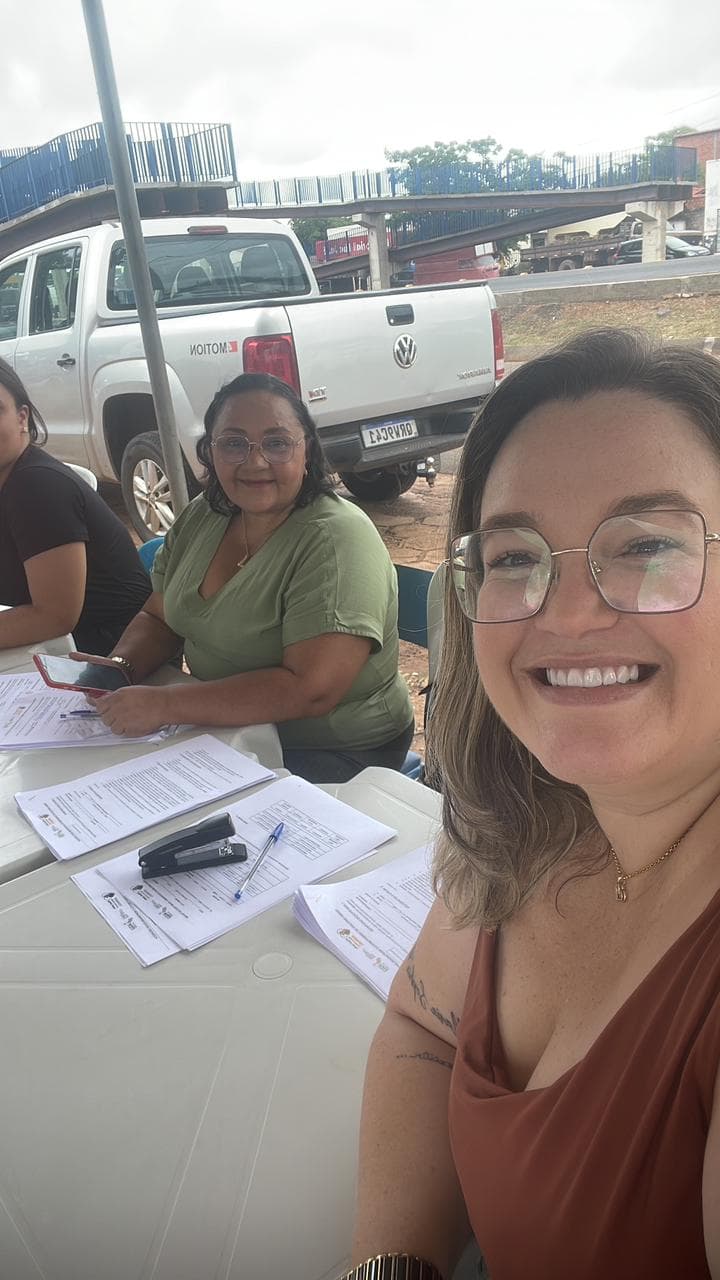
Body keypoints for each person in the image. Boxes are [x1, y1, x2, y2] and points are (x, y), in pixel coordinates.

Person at [347, 330, 720, 1280]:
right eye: (514, 558)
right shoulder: (531, 822)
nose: (562, 613)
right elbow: (425, 1031)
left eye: (644, 544)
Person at [87, 372, 414, 782]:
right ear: (210, 451)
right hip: (226, 729)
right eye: (234, 443)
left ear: (307, 451)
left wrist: (166, 705)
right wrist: (116, 669)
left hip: (334, 748)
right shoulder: (204, 514)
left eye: (277, 443)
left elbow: (310, 688)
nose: (255, 461)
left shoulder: (336, 538)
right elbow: (159, 617)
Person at [0, 359, 151, 654]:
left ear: (21, 418)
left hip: (118, 653)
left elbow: (54, 617)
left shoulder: (35, 486)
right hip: (65, 644)